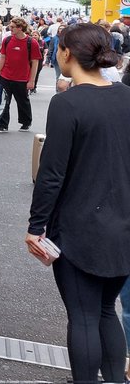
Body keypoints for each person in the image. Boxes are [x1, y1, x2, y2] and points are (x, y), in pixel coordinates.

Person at [27, 22, 130, 383]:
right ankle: (117, 380)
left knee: (84, 315)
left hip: (79, 226)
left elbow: (51, 173)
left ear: (67, 54)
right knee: (105, 311)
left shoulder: (67, 103)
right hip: (123, 227)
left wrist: (35, 226)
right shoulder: (126, 95)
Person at [0, 17, 41, 133]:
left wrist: (32, 80)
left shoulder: (32, 42)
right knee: (4, 101)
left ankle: (26, 122)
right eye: (10, 26)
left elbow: (35, 62)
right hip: (5, 76)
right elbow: (2, 57)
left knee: (22, 101)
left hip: (22, 78)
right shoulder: (7, 40)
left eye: (13, 27)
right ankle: (2, 125)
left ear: (20, 28)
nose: (10, 29)